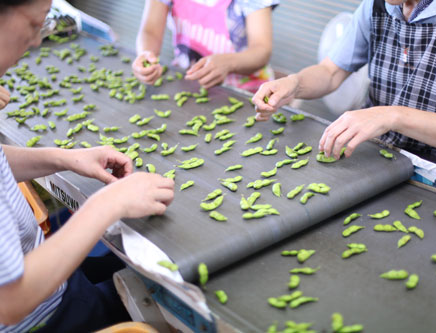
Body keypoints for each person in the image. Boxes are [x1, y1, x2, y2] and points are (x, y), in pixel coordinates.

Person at [0, 1, 175, 332]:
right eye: (34, 24)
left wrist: (64, 158)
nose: (38, 40)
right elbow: (9, 302)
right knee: (164, 295)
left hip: (52, 288)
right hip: (44, 319)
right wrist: (109, 203)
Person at [253, 0, 436, 199]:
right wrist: (295, 84)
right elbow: (330, 72)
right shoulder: (376, 6)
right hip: (373, 163)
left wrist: (393, 115)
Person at [132, 0, 278, 92]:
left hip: (245, 91)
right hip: (188, 83)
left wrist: (228, 63)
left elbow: (261, 50)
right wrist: (146, 54)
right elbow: (150, 31)